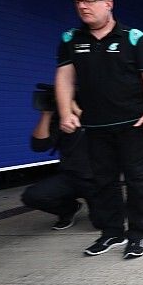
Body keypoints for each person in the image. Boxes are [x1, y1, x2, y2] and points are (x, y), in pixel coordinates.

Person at [56, 0, 143, 259]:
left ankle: (137, 235)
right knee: (103, 182)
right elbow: (65, 78)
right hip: (95, 126)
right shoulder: (70, 39)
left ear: (108, 4)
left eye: (89, 1)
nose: (82, 7)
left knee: (138, 182)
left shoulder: (134, 38)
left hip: (132, 124)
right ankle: (112, 232)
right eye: (78, 1)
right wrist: (65, 112)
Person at [21, 84, 95, 230]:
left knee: (103, 222)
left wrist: (76, 109)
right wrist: (46, 114)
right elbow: (39, 146)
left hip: (99, 178)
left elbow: (98, 128)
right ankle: (69, 209)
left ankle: (114, 205)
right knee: (32, 196)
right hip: (70, 177)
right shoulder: (61, 119)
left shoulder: (98, 109)